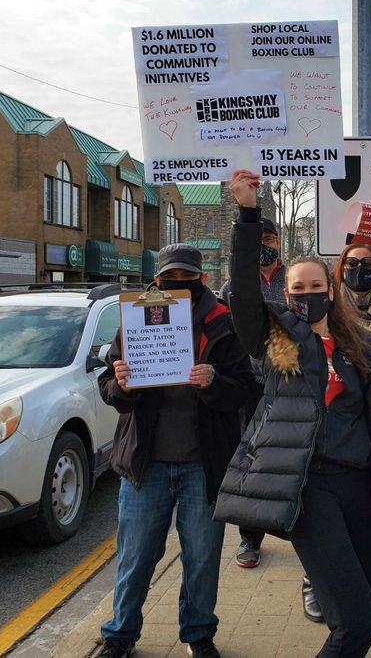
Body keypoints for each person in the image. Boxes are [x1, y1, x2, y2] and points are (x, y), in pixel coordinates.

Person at [215, 169, 371, 658]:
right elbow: (241, 292)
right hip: (308, 489)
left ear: (332, 289)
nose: (306, 294)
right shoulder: (275, 342)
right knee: (354, 623)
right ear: (285, 293)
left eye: (315, 285)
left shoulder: (359, 348)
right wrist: (247, 213)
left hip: (362, 489)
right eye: (296, 287)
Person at [97, 244, 253, 658]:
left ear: (201, 278)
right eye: (170, 277)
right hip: (144, 464)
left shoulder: (222, 322)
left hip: (203, 465)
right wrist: (122, 385)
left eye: (187, 277)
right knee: (135, 558)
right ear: (157, 277)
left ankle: (199, 634)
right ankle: (119, 636)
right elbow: (108, 385)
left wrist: (215, 381)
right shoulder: (135, 318)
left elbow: (245, 388)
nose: (178, 284)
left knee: (202, 558)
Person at [219, 217, 285, 572]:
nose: (265, 244)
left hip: (291, 383)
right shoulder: (234, 287)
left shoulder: (294, 281)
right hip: (250, 385)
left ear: (278, 241)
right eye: (258, 238)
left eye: (270, 238)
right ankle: (250, 536)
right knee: (250, 459)